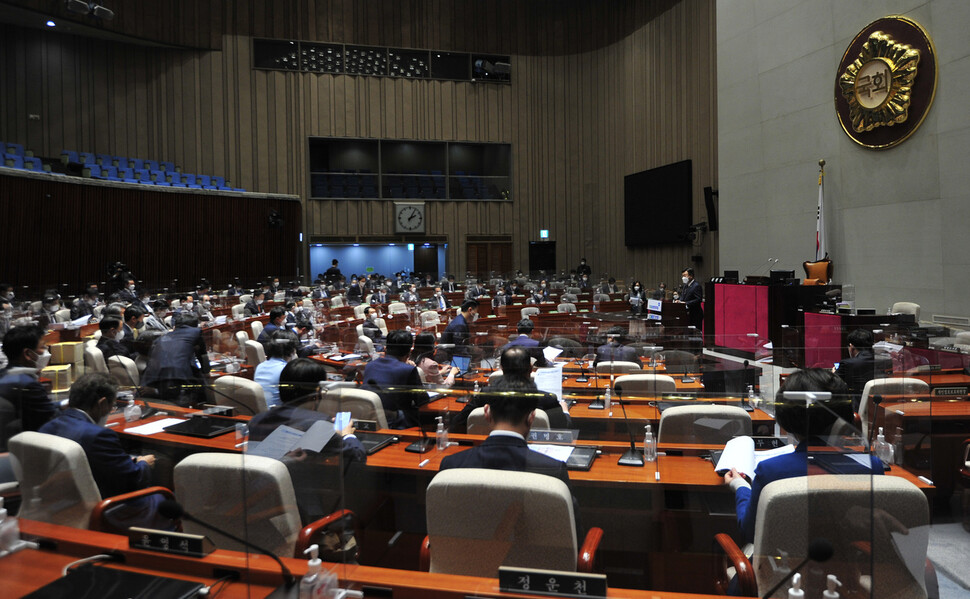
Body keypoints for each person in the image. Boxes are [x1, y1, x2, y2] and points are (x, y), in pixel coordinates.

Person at [723, 368, 882, 545]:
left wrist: (740, 486)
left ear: (787, 418)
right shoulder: (872, 466)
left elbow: (750, 532)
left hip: (782, 568)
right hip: (849, 569)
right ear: (845, 414)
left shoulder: (770, 471)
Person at [440, 375, 578, 529]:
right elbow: (571, 531)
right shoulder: (553, 471)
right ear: (532, 417)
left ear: (486, 413)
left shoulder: (450, 466)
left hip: (465, 552)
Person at [38, 373, 171, 529]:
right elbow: (132, 481)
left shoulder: (47, 427)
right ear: (102, 404)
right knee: (164, 498)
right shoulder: (98, 435)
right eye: (112, 405)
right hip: (102, 509)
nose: (111, 410)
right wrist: (144, 464)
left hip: (57, 506)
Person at [0, 324, 57, 449]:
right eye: (42, 347)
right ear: (28, 354)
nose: (46, 351)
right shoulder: (27, 384)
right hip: (23, 450)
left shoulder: (3, 374)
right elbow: (52, 419)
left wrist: (61, 405)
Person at [141, 312, 211, 406]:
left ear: (175, 326)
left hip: (152, 380)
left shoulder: (161, 338)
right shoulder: (196, 332)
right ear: (195, 326)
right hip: (177, 379)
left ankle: (159, 392)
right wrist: (206, 371)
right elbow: (203, 356)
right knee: (202, 385)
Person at [362, 329, 428, 428]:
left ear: (386, 348)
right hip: (396, 422)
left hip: (369, 420)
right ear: (409, 351)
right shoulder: (408, 370)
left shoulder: (370, 365)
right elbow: (422, 400)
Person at [834, 328, 880, 412]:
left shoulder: (847, 364)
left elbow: (834, 384)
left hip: (856, 407)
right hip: (878, 406)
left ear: (851, 346)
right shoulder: (883, 361)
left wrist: (833, 373)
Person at [254, 329, 298, 409]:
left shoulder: (260, 366)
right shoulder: (286, 370)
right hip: (279, 415)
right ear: (292, 350)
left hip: (263, 414)